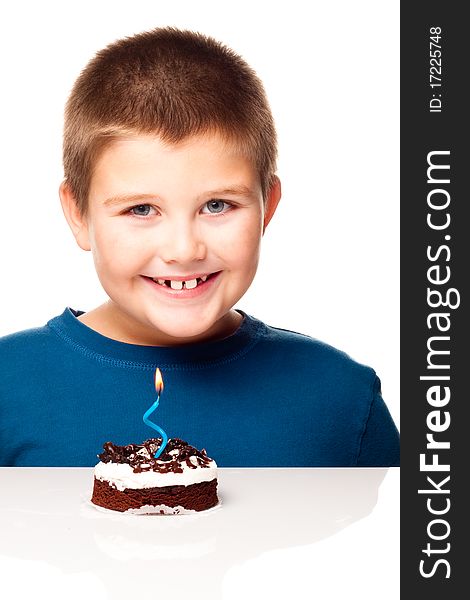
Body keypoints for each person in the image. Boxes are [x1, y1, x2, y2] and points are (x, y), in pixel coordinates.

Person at [0, 27, 399, 467]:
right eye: (140, 209)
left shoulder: (341, 399)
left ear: (267, 208)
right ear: (79, 215)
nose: (182, 249)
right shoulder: (8, 387)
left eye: (216, 205)